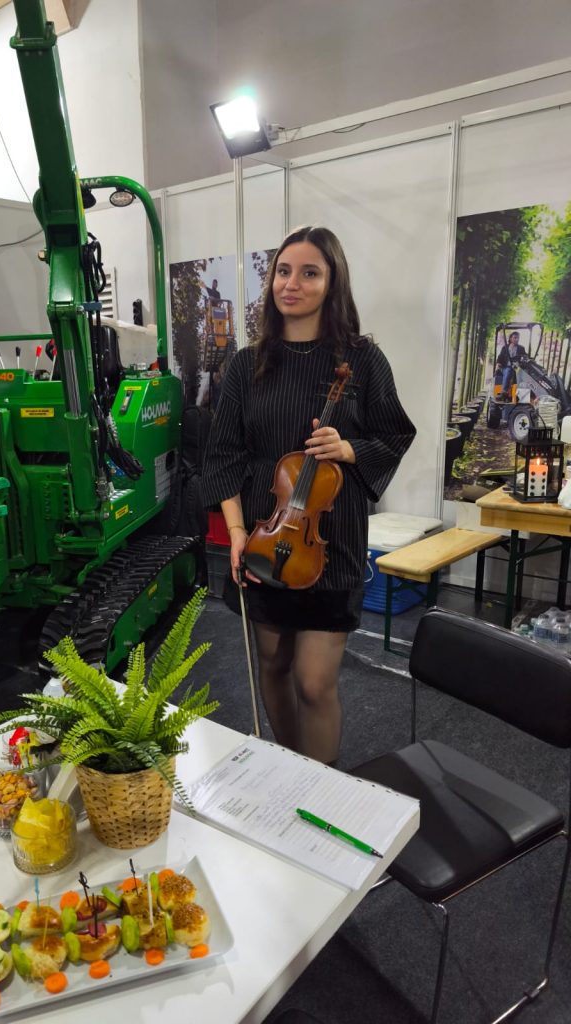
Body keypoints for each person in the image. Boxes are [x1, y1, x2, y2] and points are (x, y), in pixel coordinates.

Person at [201, 226, 416, 764]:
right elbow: (223, 455)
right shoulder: (246, 365)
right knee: (273, 666)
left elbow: (395, 434)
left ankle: (321, 789)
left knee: (315, 682)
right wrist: (235, 533)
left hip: (330, 541)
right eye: (283, 271)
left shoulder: (363, 360)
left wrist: (348, 449)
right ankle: (289, 771)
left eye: (309, 273)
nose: (291, 284)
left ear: (332, 282)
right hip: (264, 537)